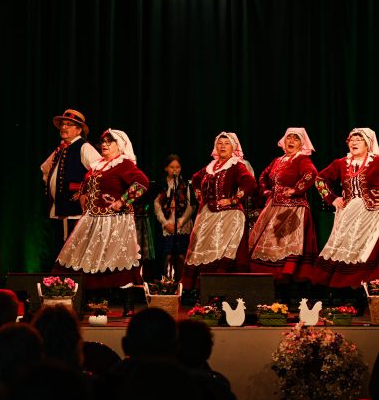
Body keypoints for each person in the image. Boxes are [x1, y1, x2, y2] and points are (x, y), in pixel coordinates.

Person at [55, 129, 150, 316]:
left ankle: (128, 306)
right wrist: (83, 199)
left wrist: (122, 201)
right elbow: (86, 186)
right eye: (103, 141)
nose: (104, 145)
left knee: (119, 259)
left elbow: (142, 183)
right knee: (86, 258)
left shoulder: (123, 164)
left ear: (119, 145)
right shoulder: (97, 165)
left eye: (109, 141)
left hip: (115, 221)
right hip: (92, 219)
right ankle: (93, 303)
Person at [313, 128, 379, 290]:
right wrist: (332, 198)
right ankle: (346, 290)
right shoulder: (341, 163)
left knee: (366, 250)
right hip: (347, 214)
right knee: (345, 249)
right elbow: (320, 179)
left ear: (368, 144)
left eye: (359, 140)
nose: (354, 142)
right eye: (351, 140)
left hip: (372, 214)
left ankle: (364, 289)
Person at [182, 132, 257, 290]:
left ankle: (220, 290)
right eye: (220, 143)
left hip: (229, 214)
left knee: (221, 250)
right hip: (207, 214)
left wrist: (233, 199)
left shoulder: (236, 165)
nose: (222, 146)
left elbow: (250, 182)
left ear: (233, 147)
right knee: (201, 249)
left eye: (226, 143)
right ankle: (199, 290)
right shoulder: (211, 166)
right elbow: (195, 178)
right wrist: (197, 191)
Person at [249, 127, 318, 283]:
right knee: (267, 242)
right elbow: (263, 176)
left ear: (302, 144)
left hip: (293, 208)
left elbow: (311, 173)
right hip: (273, 206)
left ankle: (287, 281)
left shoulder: (302, 159)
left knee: (286, 245)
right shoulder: (277, 160)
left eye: (296, 139)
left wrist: (295, 190)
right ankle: (269, 281)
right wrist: (266, 191)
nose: (291, 141)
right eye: (289, 138)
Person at [40, 109, 101, 267]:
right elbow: (45, 169)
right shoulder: (61, 149)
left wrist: (84, 190)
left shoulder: (83, 147)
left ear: (78, 130)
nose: (64, 127)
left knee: (73, 246)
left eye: (68, 125)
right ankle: (62, 276)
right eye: (62, 124)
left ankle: (72, 276)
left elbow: (100, 170)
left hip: (74, 209)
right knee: (60, 245)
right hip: (59, 207)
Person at [153, 154, 194, 283]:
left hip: (182, 224)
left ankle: (182, 284)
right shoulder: (162, 185)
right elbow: (157, 205)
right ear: (166, 168)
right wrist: (165, 223)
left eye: (177, 167)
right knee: (168, 255)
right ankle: (167, 284)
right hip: (167, 224)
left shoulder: (186, 185)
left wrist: (180, 222)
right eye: (172, 167)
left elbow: (191, 206)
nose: (175, 170)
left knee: (181, 256)